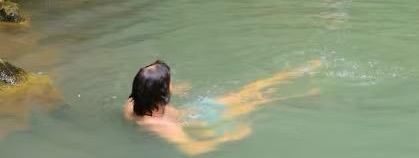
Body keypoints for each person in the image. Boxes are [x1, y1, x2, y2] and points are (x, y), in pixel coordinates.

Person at [124, 59, 321, 155]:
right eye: (170, 82)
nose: (173, 83)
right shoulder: (165, 127)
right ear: (162, 92)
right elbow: (193, 149)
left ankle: (288, 75)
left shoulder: (132, 104)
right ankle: (304, 90)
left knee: (243, 94)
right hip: (199, 121)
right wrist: (230, 136)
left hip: (192, 113)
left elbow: (146, 89)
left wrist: (176, 89)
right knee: (253, 102)